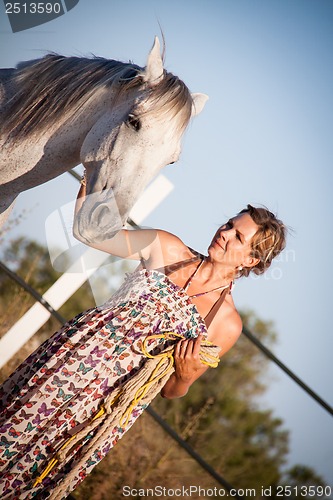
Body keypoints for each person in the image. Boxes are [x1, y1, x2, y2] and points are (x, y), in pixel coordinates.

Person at [0, 178, 286, 499]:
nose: (224, 233)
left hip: (108, 402)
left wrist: (186, 375)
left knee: (41, 468)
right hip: (70, 360)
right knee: (10, 427)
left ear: (250, 260)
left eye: (238, 236)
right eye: (228, 225)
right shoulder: (166, 247)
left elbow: (171, 392)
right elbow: (92, 233)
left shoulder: (225, 323)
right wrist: (95, 180)